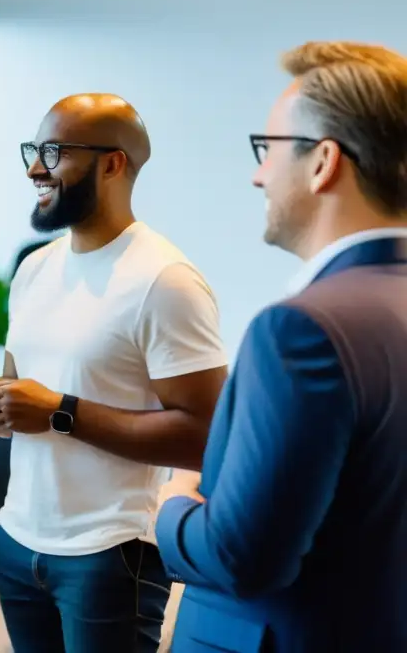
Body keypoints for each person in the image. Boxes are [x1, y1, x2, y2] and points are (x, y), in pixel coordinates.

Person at [156, 41, 407, 651]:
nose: (257, 173)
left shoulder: (301, 332)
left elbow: (243, 558)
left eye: (266, 149)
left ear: (323, 162)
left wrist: (171, 507)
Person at [0, 94, 230, 653]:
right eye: (34, 150)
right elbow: (25, 397)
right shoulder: (33, 270)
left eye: (54, 152)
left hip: (109, 554)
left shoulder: (167, 280)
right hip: (17, 541)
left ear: (113, 164)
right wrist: (0, 408)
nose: (35, 168)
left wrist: (59, 412)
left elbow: (208, 437)